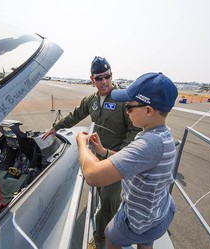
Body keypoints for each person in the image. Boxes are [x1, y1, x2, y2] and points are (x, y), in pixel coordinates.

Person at [42, 56, 141, 249]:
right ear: (92, 79)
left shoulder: (123, 99)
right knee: (101, 193)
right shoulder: (91, 100)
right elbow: (76, 115)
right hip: (97, 156)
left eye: (107, 76)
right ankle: (108, 222)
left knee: (108, 199)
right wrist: (56, 127)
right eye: (99, 78)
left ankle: (100, 238)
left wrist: (121, 154)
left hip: (115, 157)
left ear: (111, 75)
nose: (104, 81)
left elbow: (135, 129)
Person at [76, 72, 178, 249]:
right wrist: (103, 151)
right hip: (157, 210)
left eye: (128, 107)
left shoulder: (149, 143)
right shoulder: (159, 133)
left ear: (148, 110)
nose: (126, 111)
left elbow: (92, 175)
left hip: (139, 218)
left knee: (111, 235)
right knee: (145, 243)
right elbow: (134, 161)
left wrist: (81, 144)